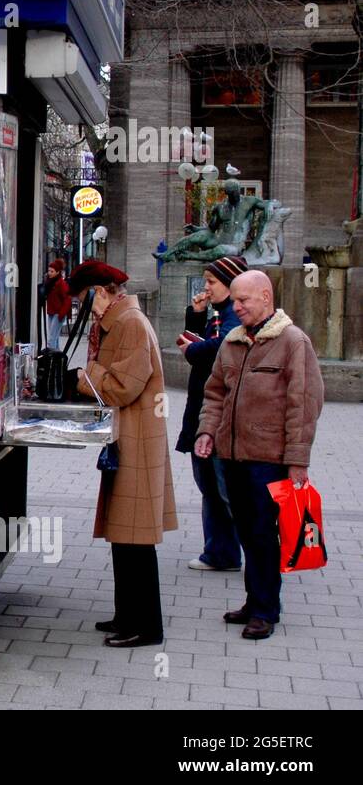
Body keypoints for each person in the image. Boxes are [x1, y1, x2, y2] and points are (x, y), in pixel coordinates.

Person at [194, 270, 325, 641]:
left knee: (264, 535)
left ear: (266, 297)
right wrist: (207, 432)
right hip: (232, 457)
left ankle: (266, 610)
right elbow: (214, 393)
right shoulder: (233, 342)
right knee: (248, 533)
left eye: (243, 301)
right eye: (234, 300)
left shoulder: (292, 342)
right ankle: (255, 602)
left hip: (269, 459)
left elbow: (305, 404)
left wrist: (298, 460)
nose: (236, 307)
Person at [68, 260, 176, 648]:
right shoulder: (120, 319)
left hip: (137, 438)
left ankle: (146, 626)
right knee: (124, 535)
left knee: (136, 539)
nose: (86, 309)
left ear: (100, 291)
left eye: (85, 299)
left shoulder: (129, 322)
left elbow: (122, 386)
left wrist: (82, 377)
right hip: (128, 436)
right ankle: (126, 614)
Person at [176, 255, 246, 573]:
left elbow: (221, 347)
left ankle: (237, 551)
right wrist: (196, 316)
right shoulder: (218, 313)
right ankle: (220, 550)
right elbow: (203, 346)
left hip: (217, 416)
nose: (206, 287)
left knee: (223, 488)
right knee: (210, 485)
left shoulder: (235, 316)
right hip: (203, 410)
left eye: (212, 281)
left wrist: (192, 349)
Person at [39, 258, 71, 349]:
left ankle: (51, 357)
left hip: (58, 313)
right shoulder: (50, 282)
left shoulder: (61, 283)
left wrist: (62, 313)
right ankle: (56, 356)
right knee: (54, 337)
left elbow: (67, 299)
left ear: (57, 272)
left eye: (52, 271)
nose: (49, 273)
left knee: (52, 338)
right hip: (52, 312)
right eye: (49, 271)